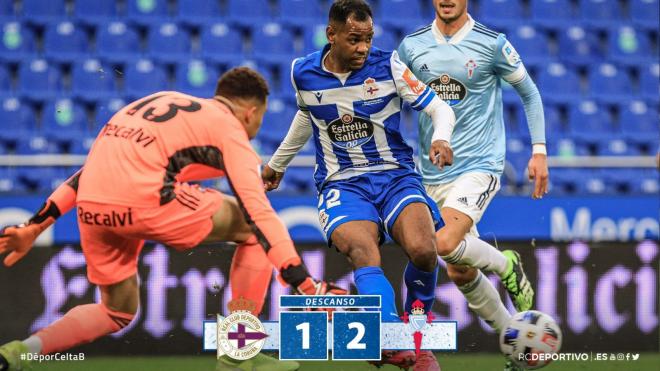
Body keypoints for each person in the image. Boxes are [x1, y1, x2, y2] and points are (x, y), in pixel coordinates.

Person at [0, 67, 346, 371]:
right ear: (251, 112)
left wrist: (35, 226)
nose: (255, 128)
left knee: (116, 311)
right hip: (145, 200)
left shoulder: (162, 104)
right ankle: (239, 352)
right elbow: (258, 210)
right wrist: (305, 284)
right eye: (259, 120)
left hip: (92, 205)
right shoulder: (229, 130)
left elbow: (87, 174)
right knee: (249, 226)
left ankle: (23, 352)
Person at [261, 1, 457, 369]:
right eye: (354, 40)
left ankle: (416, 334)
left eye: (368, 39)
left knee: (425, 251)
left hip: (396, 177)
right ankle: (390, 342)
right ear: (331, 35)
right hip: (343, 184)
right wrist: (277, 164)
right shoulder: (302, 73)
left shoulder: (389, 66)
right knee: (363, 252)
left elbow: (440, 109)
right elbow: (308, 115)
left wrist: (441, 138)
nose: (363, 48)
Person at [398, 0, 546, 369]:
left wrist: (539, 151)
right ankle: (515, 340)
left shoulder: (492, 43)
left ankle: (506, 264)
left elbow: (529, 92)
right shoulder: (412, 47)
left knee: (444, 242)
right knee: (459, 268)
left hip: (480, 164)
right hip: (431, 173)